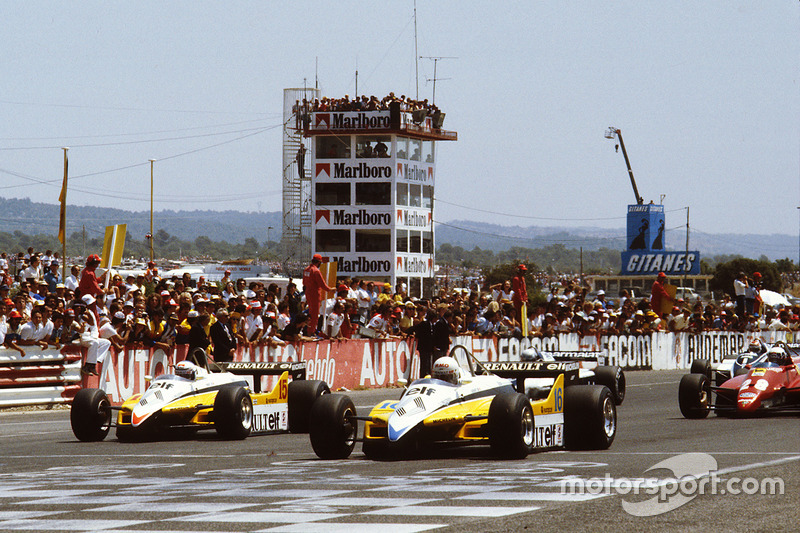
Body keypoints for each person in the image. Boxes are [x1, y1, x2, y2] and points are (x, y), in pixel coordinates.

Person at [302, 254, 334, 335]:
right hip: (315, 294)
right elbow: (322, 285)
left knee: (311, 313)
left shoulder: (306, 269)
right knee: (315, 315)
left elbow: (304, 282)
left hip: (308, 293)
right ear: (319, 262)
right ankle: (311, 332)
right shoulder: (316, 271)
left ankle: (309, 330)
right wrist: (331, 289)